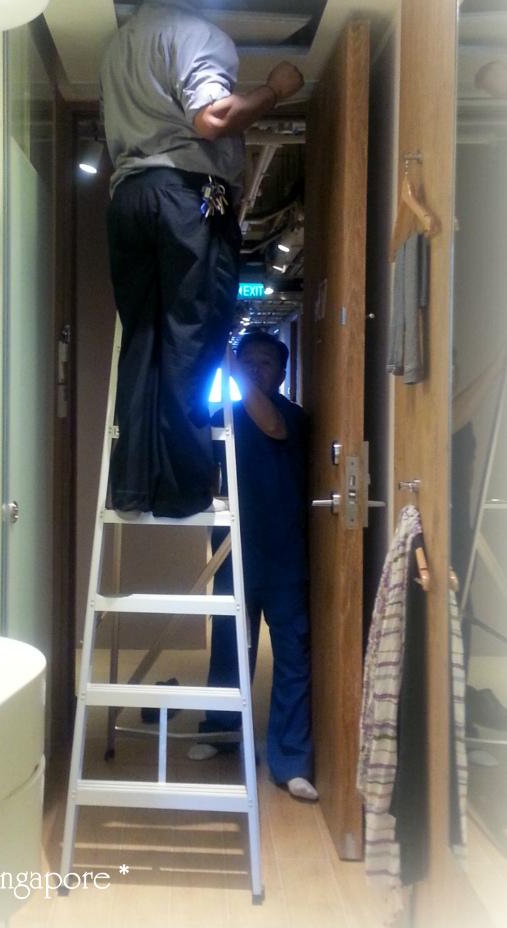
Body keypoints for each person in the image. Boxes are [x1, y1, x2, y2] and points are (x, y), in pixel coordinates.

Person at [100, 0, 303, 517]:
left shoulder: (118, 46)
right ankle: (181, 490)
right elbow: (212, 117)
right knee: (193, 335)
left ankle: (133, 485)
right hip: (189, 196)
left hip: (130, 196)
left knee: (144, 338)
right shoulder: (195, 33)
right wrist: (274, 91)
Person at [188, 330, 317, 802]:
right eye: (247, 361)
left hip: (286, 553)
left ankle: (291, 761)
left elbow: (272, 427)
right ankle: (220, 732)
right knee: (229, 644)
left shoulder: (292, 417)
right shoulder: (225, 416)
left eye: (264, 363)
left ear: (281, 374)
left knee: (293, 655)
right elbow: (202, 466)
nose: (255, 369)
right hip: (235, 550)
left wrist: (233, 367)